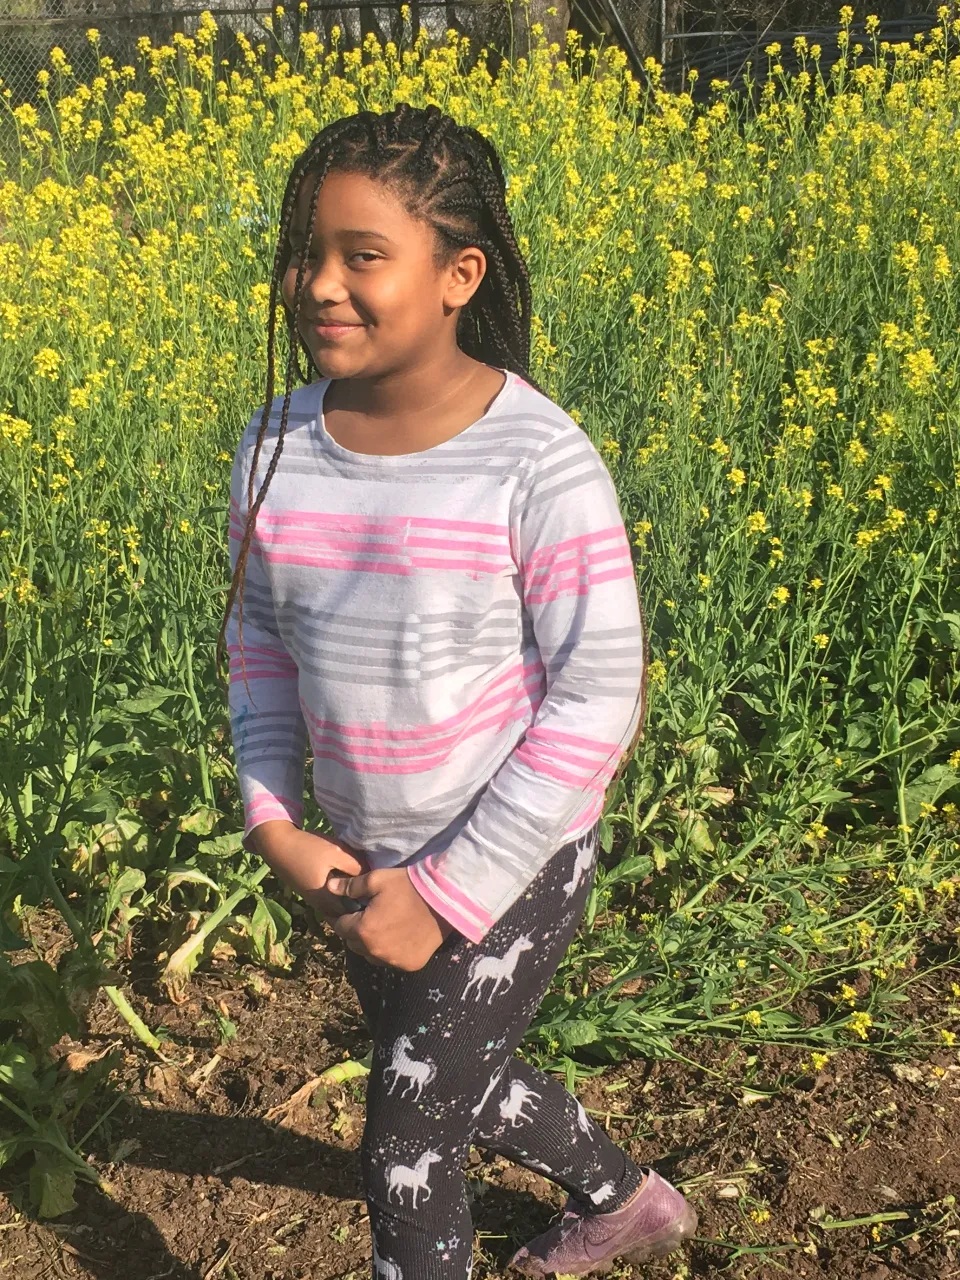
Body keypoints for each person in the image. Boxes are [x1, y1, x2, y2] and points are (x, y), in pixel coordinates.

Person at [217, 102, 697, 1279]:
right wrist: (276, 817)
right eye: (308, 253)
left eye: (362, 256)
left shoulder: (534, 459)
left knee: (405, 1139)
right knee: (450, 1076)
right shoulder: (275, 445)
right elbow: (259, 644)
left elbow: (598, 693)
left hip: (514, 857)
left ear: (457, 275)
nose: (319, 284)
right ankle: (630, 1202)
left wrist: (446, 891)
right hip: (363, 855)